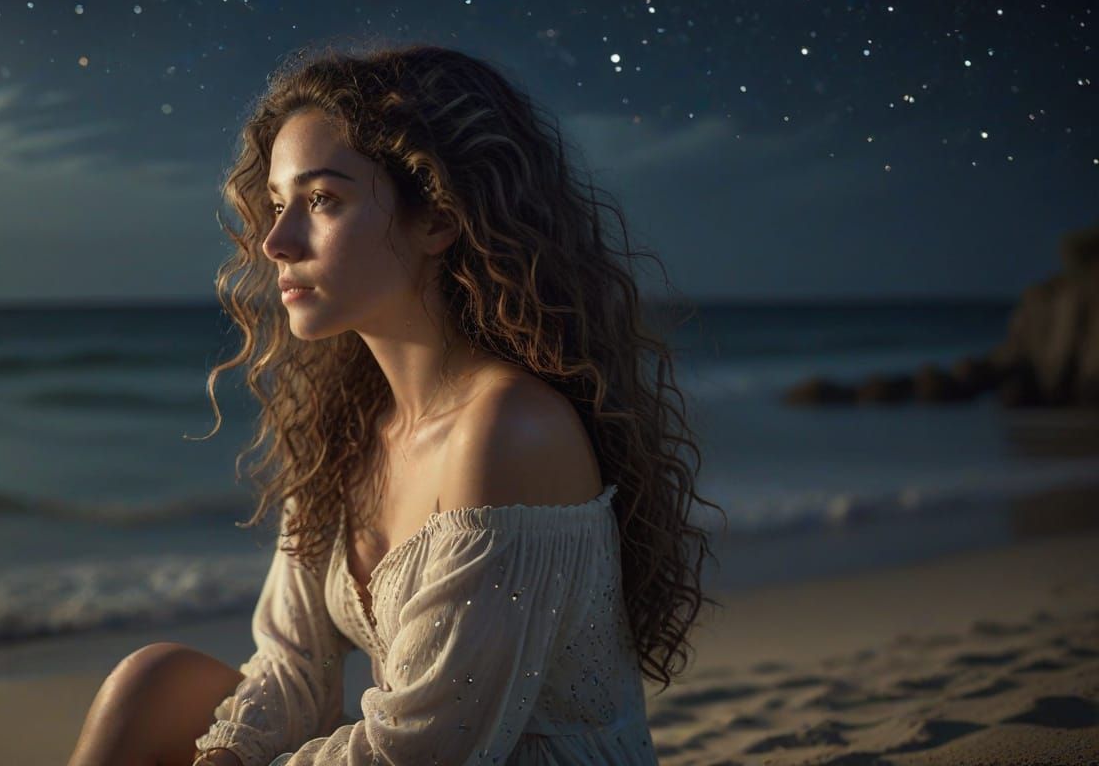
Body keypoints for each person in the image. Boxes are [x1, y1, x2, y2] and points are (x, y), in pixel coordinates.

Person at [66, 42, 721, 766]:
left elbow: (420, 751)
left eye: (323, 201)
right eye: (278, 205)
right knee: (156, 679)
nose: (277, 241)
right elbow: (290, 670)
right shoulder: (346, 429)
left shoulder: (510, 430)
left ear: (438, 218)